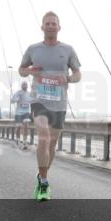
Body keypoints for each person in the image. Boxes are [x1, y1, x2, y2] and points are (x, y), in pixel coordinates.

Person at [19, 11, 81, 201]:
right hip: (39, 99)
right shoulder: (33, 49)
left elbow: (78, 74)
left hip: (59, 102)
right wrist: (29, 70)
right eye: (47, 23)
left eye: (54, 23)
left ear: (59, 27)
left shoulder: (68, 50)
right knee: (44, 138)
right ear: (42, 27)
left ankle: (42, 174)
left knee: (52, 143)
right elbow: (22, 71)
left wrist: (69, 78)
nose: (50, 26)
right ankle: (44, 182)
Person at [11, 81, 32, 150]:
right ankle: (17, 140)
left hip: (26, 112)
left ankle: (25, 142)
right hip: (19, 113)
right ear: (21, 86)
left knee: (26, 126)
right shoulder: (18, 92)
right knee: (19, 127)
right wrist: (16, 99)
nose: (25, 86)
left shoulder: (29, 94)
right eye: (23, 85)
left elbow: (32, 102)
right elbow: (12, 100)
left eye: (26, 85)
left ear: (27, 86)